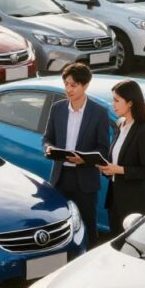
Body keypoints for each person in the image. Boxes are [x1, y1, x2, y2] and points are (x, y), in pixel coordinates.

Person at [42, 63, 109, 248]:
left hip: (85, 181)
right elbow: (47, 138)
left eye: (73, 85)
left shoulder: (99, 113)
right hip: (60, 177)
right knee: (60, 225)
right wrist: (48, 148)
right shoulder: (57, 108)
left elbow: (104, 149)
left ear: (85, 85)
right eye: (66, 84)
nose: (68, 89)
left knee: (88, 226)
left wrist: (84, 159)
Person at [98, 79, 145, 235]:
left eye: (117, 100)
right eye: (113, 100)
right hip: (114, 202)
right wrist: (106, 168)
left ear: (130, 103)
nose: (113, 104)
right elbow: (117, 159)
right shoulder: (120, 124)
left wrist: (119, 169)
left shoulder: (143, 131)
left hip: (133, 205)